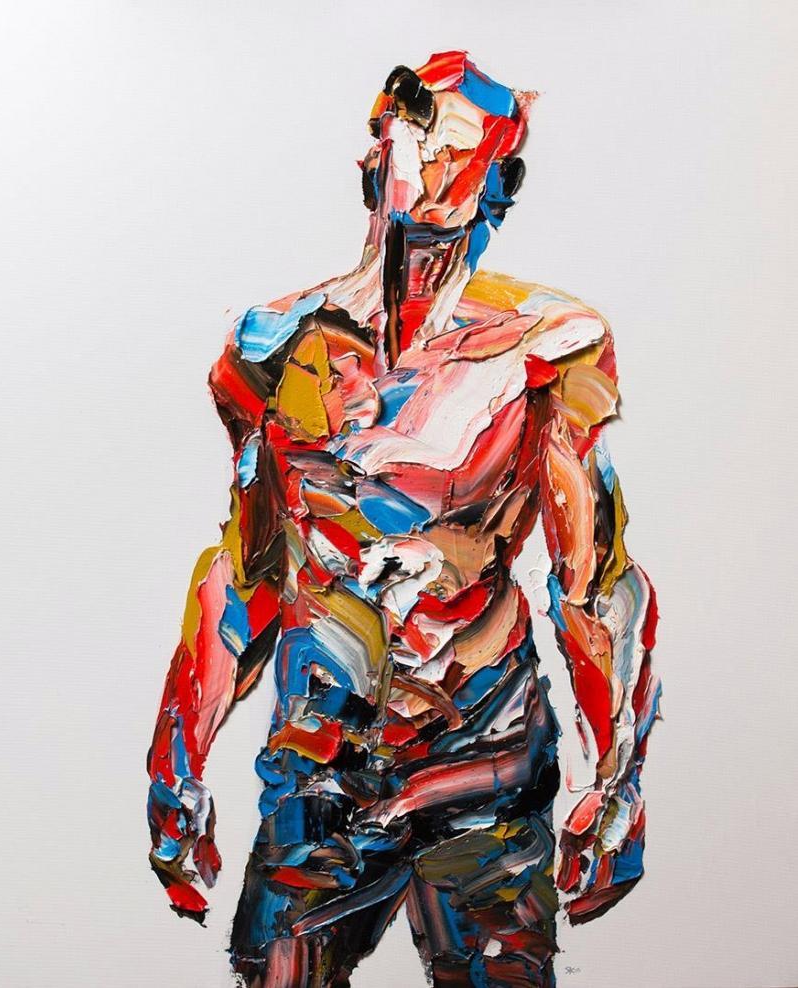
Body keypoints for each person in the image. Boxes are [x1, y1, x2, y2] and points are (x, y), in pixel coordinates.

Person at [146, 51, 661, 988]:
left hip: (484, 762)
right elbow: (248, 571)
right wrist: (177, 754)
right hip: (319, 764)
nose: (439, 161)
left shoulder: (547, 347)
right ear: (375, 152)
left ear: (501, 181)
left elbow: (593, 579)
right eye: (420, 133)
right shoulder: (271, 348)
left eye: (469, 150)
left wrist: (617, 771)